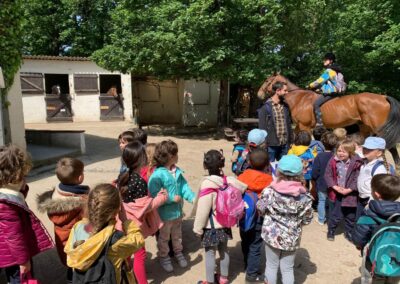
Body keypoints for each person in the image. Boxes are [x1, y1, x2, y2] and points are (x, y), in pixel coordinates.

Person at [65, 183, 144, 284]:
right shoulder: (116, 240)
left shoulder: (78, 228)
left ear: (89, 205)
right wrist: (125, 221)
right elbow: (138, 239)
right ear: (117, 211)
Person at [0, 145, 53, 283]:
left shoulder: (5, 192)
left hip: (5, 251)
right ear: (14, 175)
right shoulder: (6, 205)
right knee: (17, 278)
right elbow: (14, 237)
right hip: (12, 256)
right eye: (23, 175)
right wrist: (23, 261)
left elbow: (18, 199)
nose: (25, 177)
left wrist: (21, 188)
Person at [257, 155, 313, 284]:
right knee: (287, 268)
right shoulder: (305, 197)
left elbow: (260, 209)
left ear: (279, 171)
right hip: (292, 237)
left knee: (271, 265)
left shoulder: (269, 192)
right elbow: (307, 219)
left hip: (271, 235)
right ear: (300, 173)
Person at [193, 150, 247, 284]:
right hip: (225, 224)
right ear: (222, 164)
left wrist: (198, 228)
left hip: (211, 227)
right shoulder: (228, 180)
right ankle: (223, 279)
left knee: (210, 254)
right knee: (224, 251)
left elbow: (203, 210)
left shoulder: (207, 183)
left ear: (205, 165)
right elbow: (243, 187)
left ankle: (210, 281)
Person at [117, 141, 167, 284]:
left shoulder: (124, 176)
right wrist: (161, 197)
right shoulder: (139, 181)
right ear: (141, 159)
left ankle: (124, 277)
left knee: (126, 252)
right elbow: (145, 207)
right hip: (134, 226)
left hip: (123, 222)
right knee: (140, 255)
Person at [36, 157, 89, 282]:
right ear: (80, 178)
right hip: (78, 245)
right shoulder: (82, 202)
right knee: (81, 270)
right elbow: (89, 225)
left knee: (70, 266)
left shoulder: (55, 196)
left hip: (62, 243)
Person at [148, 140, 195, 272]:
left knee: (177, 235)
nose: (178, 156)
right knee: (163, 237)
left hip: (177, 213)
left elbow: (184, 187)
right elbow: (153, 194)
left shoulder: (177, 171)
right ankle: (164, 257)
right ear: (170, 156)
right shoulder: (157, 175)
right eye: (176, 153)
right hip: (164, 215)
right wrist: (169, 199)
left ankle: (178, 253)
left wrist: (192, 197)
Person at [352, 174, 400, 284]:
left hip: (373, 256)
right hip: (397, 257)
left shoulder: (369, 213)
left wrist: (359, 245)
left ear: (376, 194)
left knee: (372, 277)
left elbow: (359, 238)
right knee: (393, 277)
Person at [238, 149, 273, 283]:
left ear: (249, 162)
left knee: (245, 241)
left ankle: (248, 265)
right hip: (259, 217)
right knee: (255, 246)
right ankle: (251, 276)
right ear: (267, 165)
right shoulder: (269, 180)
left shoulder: (242, 176)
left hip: (244, 215)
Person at [324, 139, 363, 241]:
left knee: (350, 216)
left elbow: (357, 178)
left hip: (351, 194)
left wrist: (349, 189)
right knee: (336, 215)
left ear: (350, 152)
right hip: (338, 193)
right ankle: (331, 230)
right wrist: (335, 187)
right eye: (339, 151)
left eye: (344, 151)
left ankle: (348, 232)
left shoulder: (356, 163)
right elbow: (328, 175)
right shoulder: (333, 161)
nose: (340, 153)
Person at [356, 137, 393, 219]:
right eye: (365, 148)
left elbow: (379, 188)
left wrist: (370, 203)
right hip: (361, 198)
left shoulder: (379, 168)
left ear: (379, 153)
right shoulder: (366, 161)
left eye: (370, 149)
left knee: (366, 223)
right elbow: (357, 151)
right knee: (359, 221)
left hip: (370, 200)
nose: (365, 150)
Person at [258, 81, 293, 162]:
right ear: (278, 91)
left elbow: (289, 124)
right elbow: (262, 127)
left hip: (285, 144)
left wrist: (290, 141)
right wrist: (264, 144)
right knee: (270, 170)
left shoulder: (285, 106)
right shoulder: (265, 107)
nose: (287, 92)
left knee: (284, 170)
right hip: (271, 145)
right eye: (285, 90)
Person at [309, 52, 345, 126]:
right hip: (337, 91)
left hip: (332, 92)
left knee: (316, 104)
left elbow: (319, 81)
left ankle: (319, 123)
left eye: (326, 60)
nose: (324, 61)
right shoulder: (336, 70)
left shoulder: (329, 71)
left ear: (331, 61)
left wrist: (310, 85)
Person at [311, 132, 338, 225]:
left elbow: (315, 171)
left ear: (322, 143)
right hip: (334, 184)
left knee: (321, 201)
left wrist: (313, 179)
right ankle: (331, 219)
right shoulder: (336, 156)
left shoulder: (319, 156)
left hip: (322, 183)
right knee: (332, 201)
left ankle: (321, 219)